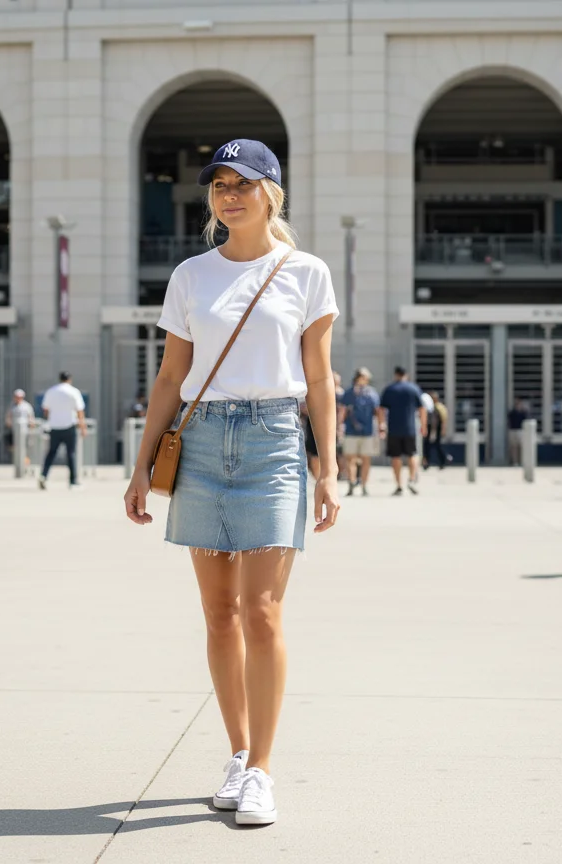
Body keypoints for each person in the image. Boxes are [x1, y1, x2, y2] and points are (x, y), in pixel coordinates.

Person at [123, 138, 340, 827]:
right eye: (218, 184)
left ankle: (265, 772)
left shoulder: (306, 272)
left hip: (274, 441)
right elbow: (168, 378)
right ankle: (240, 755)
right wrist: (140, 462)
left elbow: (318, 380)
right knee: (218, 616)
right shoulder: (192, 274)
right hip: (202, 438)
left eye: (243, 183)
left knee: (262, 612)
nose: (229, 194)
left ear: (272, 192)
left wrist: (328, 468)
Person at [378, 366, 427, 495]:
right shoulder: (413, 389)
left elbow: (381, 409)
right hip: (410, 428)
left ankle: (399, 484)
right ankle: (411, 479)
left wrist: (381, 426)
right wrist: (423, 426)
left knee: (395, 457)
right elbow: (422, 409)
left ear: (395, 375)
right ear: (406, 375)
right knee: (412, 454)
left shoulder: (389, 389)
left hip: (394, 428)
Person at [39, 371, 88, 490]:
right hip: (69, 425)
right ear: (69, 379)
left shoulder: (51, 391)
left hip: (54, 426)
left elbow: (45, 409)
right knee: (71, 453)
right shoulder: (73, 391)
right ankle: (73, 481)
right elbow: (79, 411)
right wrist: (82, 427)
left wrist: (51, 417)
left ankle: (43, 476)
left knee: (51, 453)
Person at [340, 367, 379, 496]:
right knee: (350, 459)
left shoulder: (371, 393)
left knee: (365, 459)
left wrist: (381, 427)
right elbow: (343, 411)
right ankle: (352, 482)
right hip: (351, 431)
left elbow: (377, 411)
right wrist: (339, 426)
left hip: (367, 431)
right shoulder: (349, 393)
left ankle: (363, 485)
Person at [5, 388, 36, 467]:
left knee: (25, 448)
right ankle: (17, 461)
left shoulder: (26, 406)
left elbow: (31, 418)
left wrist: (31, 428)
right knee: (14, 447)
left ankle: (25, 462)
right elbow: (8, 417)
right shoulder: (12, 406)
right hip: (14, 430)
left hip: (25, 431)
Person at [422, 390, 450, 470]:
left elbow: (443, 420)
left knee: (437, 446)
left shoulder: (439, 407)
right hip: (431, 429)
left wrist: (443, 430)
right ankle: (427, 462)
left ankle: (443, 460)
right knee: (428, 446)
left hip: (436, 430)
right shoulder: (431, 407)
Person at [507, 399, 529, 466]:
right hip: (513, 430)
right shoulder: (512, 413)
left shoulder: (523, 413)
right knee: (513, 447)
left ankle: (522, 461)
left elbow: (526, 420)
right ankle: (514, 461)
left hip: (521, 431)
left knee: (521, 446)